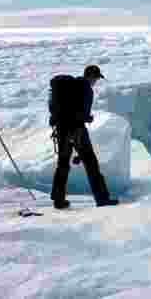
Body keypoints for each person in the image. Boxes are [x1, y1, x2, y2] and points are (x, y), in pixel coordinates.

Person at [50, 65, 118, 209]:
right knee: (91, 163)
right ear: (91, 76)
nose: (96, 81)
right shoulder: (85, 89)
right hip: (77, 131)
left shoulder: (67, 88)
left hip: (61, 130)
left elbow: (61, 110)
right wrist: (87, 118)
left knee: (63, 164)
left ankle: (58, 199)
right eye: (96, 78)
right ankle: (102, 199)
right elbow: (82, 113)